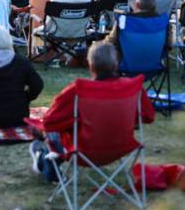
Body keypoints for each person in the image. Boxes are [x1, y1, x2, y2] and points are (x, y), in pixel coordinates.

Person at [27, 42, 155, 182]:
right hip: (121, 147)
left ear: (91, 66)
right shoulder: (133, 88)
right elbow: (148, 116)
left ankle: (49, 161)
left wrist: (71, 123)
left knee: (51, 129)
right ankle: (48, 160)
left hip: (82, 151)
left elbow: (50, 122)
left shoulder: (77, 90)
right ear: (116, 64)